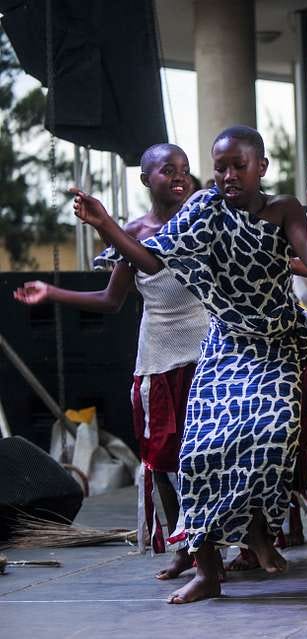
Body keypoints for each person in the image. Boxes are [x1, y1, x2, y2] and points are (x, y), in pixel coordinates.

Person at [70, 125, 307, 604]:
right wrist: (104, 223)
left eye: (239, 166)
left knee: (266, 436)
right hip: (226, 344)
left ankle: (256, 530)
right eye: (220, 167)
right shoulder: (204, 209)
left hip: (275, 344)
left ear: (262, 168)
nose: (228, 175)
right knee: (198, 453)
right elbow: (152, 262)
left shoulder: (284, 209)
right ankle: (206, 570)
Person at [14, 143, 206, 581]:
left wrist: (106, 224)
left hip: (207, 353)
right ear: (145, 179)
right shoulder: (133, 230)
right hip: (158, 357)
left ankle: (226, 544)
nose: (178, 176)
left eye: (184, 169)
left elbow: (168, 261)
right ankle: (184, 546)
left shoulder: (200, 222)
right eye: (166, 170)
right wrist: (53, 292)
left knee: (209, 455)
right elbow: (111, 299)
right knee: (162, 460)